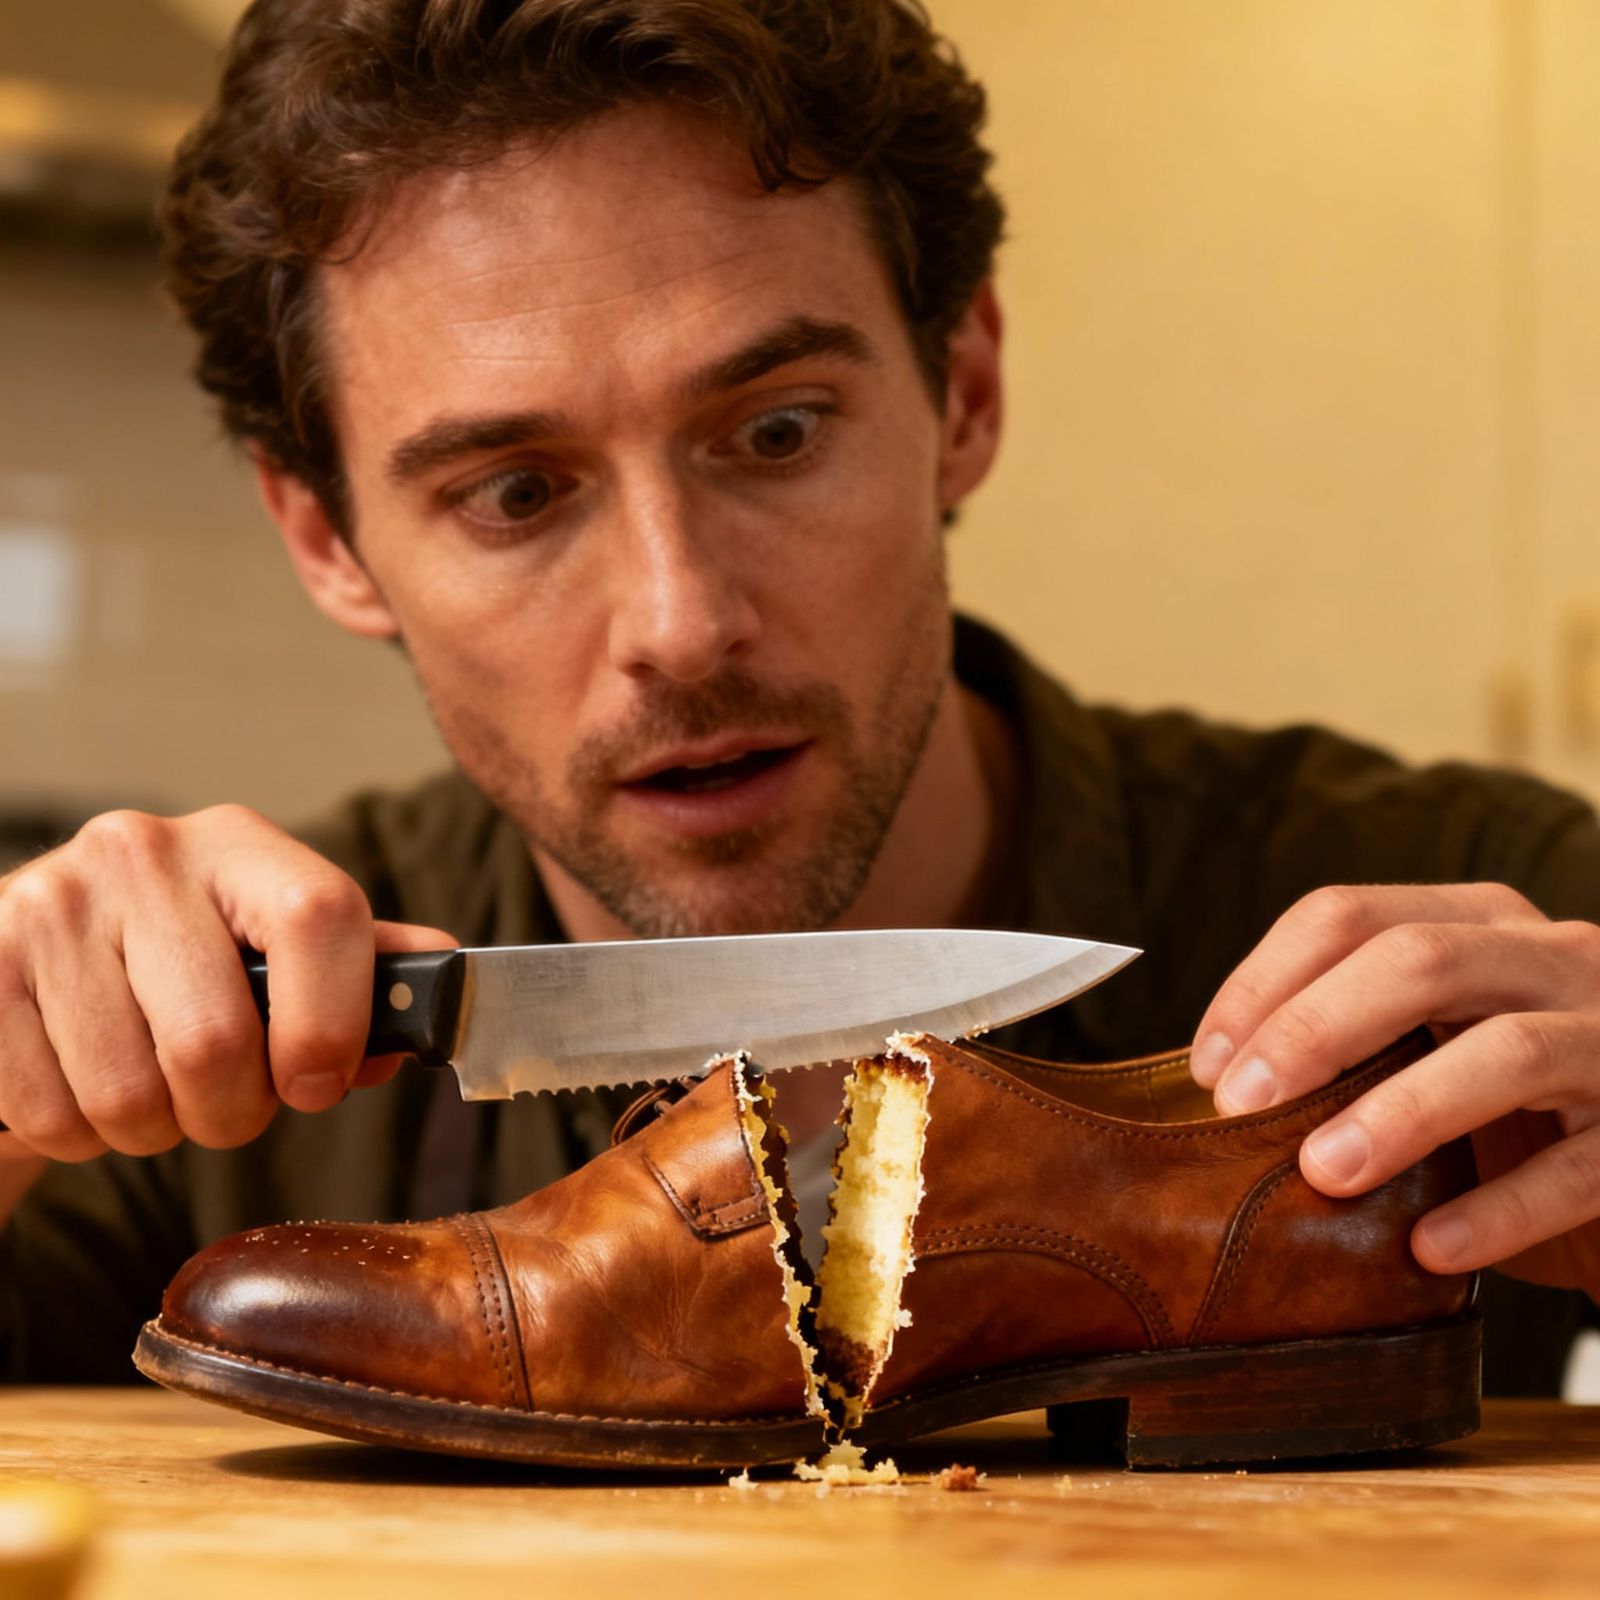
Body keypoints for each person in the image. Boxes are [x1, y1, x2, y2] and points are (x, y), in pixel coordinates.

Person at [2, 0, 1597, 1391]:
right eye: (515, 494)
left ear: (963, 394)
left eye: (776, 433)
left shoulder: (1475, 942)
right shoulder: (214, 1082)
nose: (682, 623)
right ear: (327, 539)